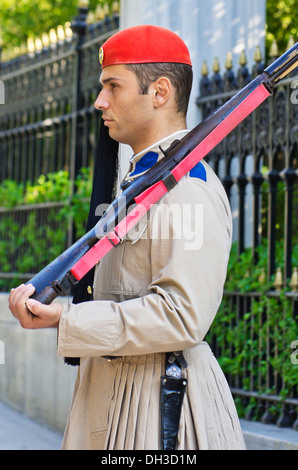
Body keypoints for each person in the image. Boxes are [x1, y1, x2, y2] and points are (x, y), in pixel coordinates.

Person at [8, 25, 246, 450]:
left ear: (159, 92)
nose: (100, 101)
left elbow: (182, 316)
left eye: (112, 86)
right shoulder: (143, 181)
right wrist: (56, 304)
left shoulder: (187, 187)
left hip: (157, 410)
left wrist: (68, 318)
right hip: (118, 392)